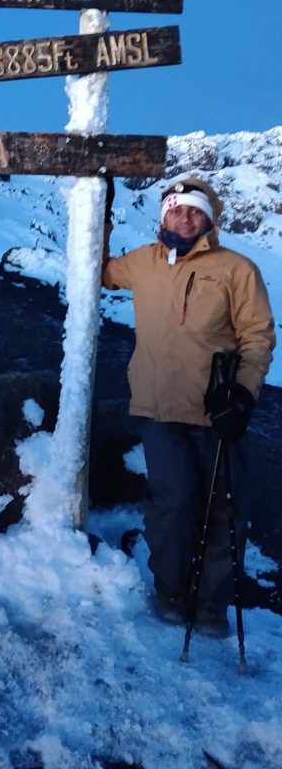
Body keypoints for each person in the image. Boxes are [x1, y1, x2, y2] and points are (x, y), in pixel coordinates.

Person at [103, 176, 275, 635]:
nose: (184, 217)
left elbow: (257, 337)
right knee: (173, 503)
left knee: (225, 507)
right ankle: (172, 590)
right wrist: (99, 212)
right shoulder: (143, 262)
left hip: (216, 411)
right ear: (163, 216)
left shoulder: (237, 270)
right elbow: (98, 270)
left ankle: (211, 604)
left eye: (194, 211)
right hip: (159, 408)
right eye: (176, 210)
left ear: (209, 218)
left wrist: (243, 395)